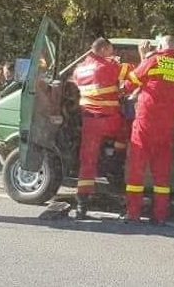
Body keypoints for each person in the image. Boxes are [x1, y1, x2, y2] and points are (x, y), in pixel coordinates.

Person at [122, 35, 174, 224]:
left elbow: (130, 83)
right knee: (162, 173)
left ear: (161, 46)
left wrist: (144, 57)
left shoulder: (154, 60)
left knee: (136, 169)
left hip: (145, 123)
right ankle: (160, 216)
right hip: (167, 126)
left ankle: (133, 213)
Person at [72, 37, 133, 219]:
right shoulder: (108, 66)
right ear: (104, 49)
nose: (112, 54)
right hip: (109, 120)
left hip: (89, 121)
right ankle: (116, 163)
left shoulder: (79, 69)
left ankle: (82, 204)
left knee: (87, 162)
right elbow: (133, 73)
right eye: (111, 50)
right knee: (126, 132)